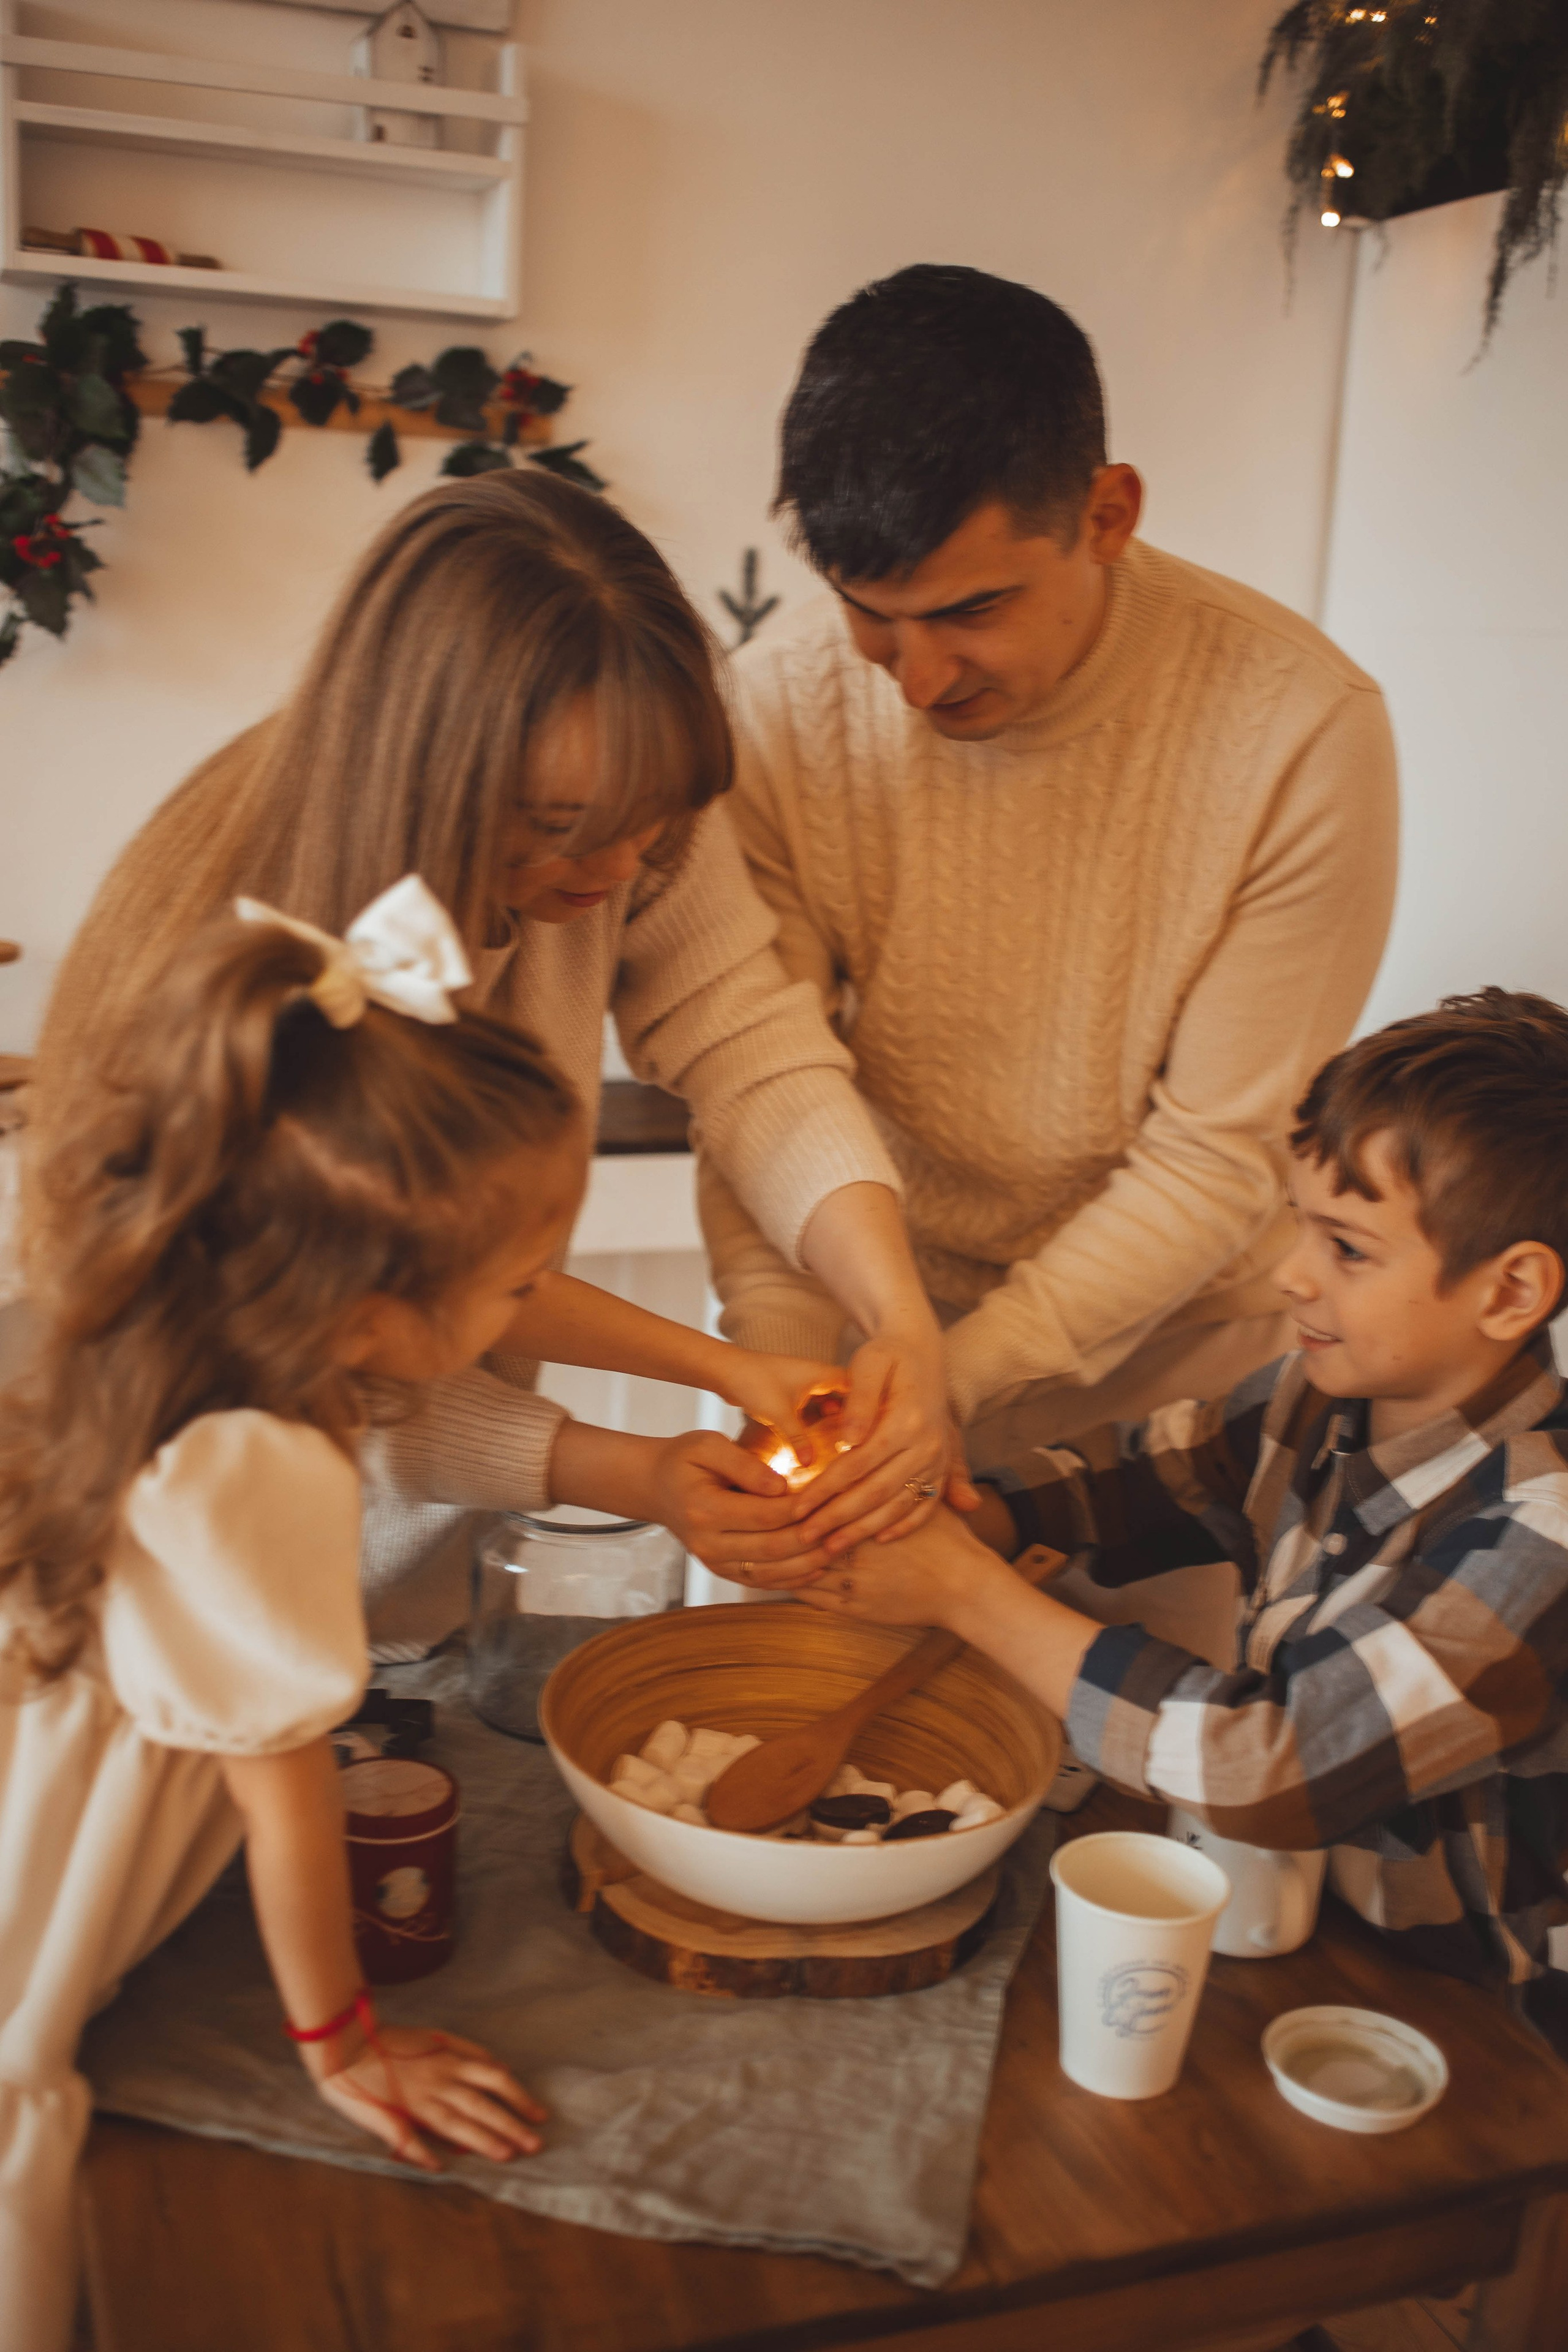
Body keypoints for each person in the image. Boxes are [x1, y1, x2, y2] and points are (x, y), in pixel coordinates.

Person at [29, 473, 964, 1656]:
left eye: (656, 823)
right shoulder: (257, 965)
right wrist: (644, 1469)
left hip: (386, 1584)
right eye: (558, 830)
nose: (624, 872)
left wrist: (894, 1314)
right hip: (184, 1602)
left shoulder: (613, 800)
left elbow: (747, 1043)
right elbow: (360, 1346)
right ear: (429, 771)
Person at [701, 263, 1400, 1655]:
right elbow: (751, 1067)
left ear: (1107, 514)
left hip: (1172, 1389)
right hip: (861, 1333)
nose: (911, 678)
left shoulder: (1300, 731)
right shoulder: (773, 711)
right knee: (793, 1749)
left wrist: (955, 1378)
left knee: (1134, 1814)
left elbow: (1214, 1154)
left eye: (967, 612)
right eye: (866, 614)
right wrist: (785, 1359)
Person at [774, 990, 1568, 2053]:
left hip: (1478, 2017)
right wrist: (965, 1514)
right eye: (1300, 1224)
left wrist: (967, 1590)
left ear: (1511, 1291)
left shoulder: (1538, 1537)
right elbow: (1132, 1476)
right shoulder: (1315, 1396)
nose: (1291, 1274)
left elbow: (1270, 1768)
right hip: (1307, 1930)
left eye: (1347, 1247)